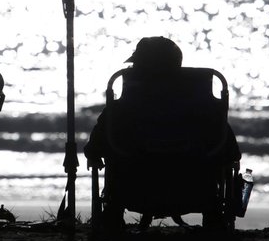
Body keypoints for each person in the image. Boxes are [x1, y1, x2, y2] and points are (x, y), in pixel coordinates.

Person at [84, 36, 241, 166]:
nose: (132, 68)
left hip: (133, 188)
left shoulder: (121, 110)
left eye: (136, 64)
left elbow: (93, 150)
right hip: (195, 189)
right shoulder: (203, 108)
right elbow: (231, 153)